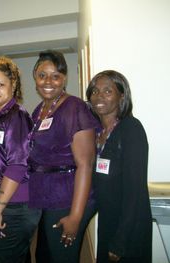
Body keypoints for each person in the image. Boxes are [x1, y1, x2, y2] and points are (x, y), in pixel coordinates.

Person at [27, 50, 99, 263]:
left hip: (67, 197)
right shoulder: (40, 110)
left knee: (62, 258)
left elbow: (85, 164)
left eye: (55, 75)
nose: (48, 81)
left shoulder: (74, 108)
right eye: (42, 75)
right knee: (46, 256)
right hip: (47, 197)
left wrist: (76, 216)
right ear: (35, 78)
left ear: (64, 78)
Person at [0, 56, 41, 263]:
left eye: (0, 85)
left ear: (13, 86)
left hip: (16, 206)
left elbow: (16, 165)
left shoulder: (16, 116)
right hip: (11, 204)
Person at [86, 70, 152, 263]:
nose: (99, 96)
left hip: (129, 228)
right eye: (95, 91)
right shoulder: (99, 133)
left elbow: (135, 191)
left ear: (121, 95)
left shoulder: (131, 129)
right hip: (108, 220)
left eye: (108, 91)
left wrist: (120, 240)